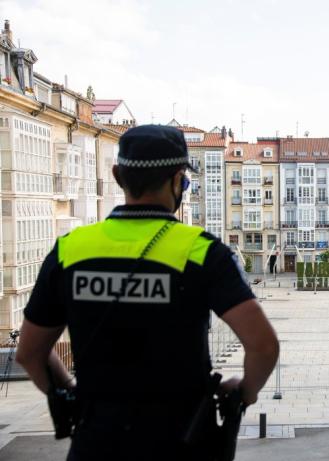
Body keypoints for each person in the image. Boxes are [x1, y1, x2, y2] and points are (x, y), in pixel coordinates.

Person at [15, 125, 279, 461]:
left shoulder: (70, 250)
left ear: (116, 175)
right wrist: (243, 392)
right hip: (181, 441)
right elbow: (263, 345)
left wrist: (70, 392)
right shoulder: (201, 252)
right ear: (177, 181)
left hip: (96, 443)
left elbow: (29, 353)